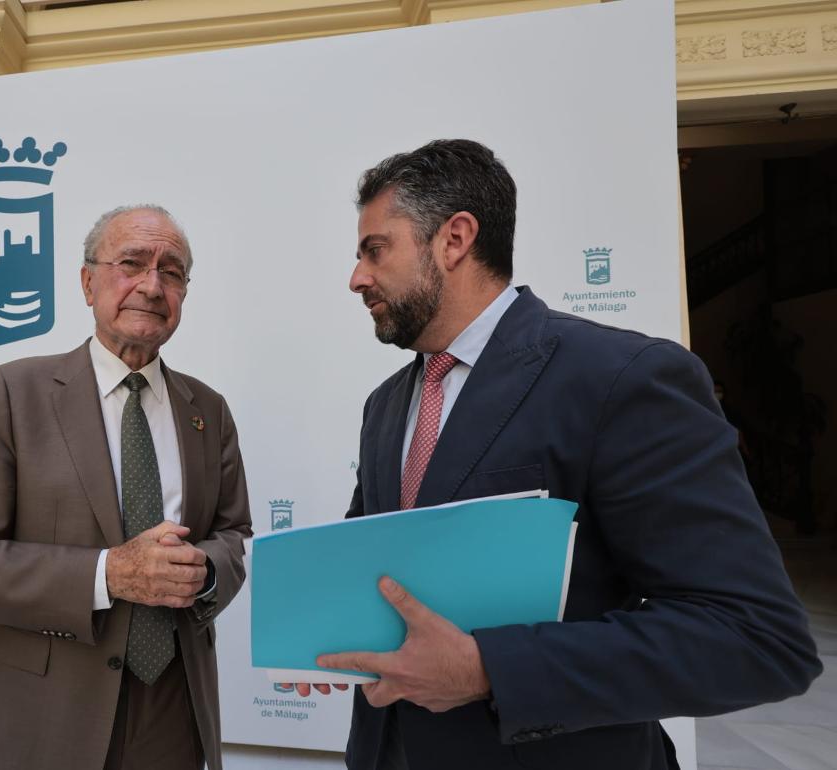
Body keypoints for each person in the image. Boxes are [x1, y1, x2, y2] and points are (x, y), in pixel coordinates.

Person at [299, 139, 821, 770]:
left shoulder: (623, 379)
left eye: (374, 250)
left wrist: (491, 668)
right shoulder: (386, 405)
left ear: (454, 239)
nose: (357, 277)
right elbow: (377, 560)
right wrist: (330, 632)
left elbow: (755, 639)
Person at [0, 205, 252, 770]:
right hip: (46, 712)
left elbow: (233, 532)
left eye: (171, 272)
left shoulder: (207, 409)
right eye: (132, 263)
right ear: (87, 281)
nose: (151, 284)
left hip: (174, 706)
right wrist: (107, 574)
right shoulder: (13, 393)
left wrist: (208, 569)